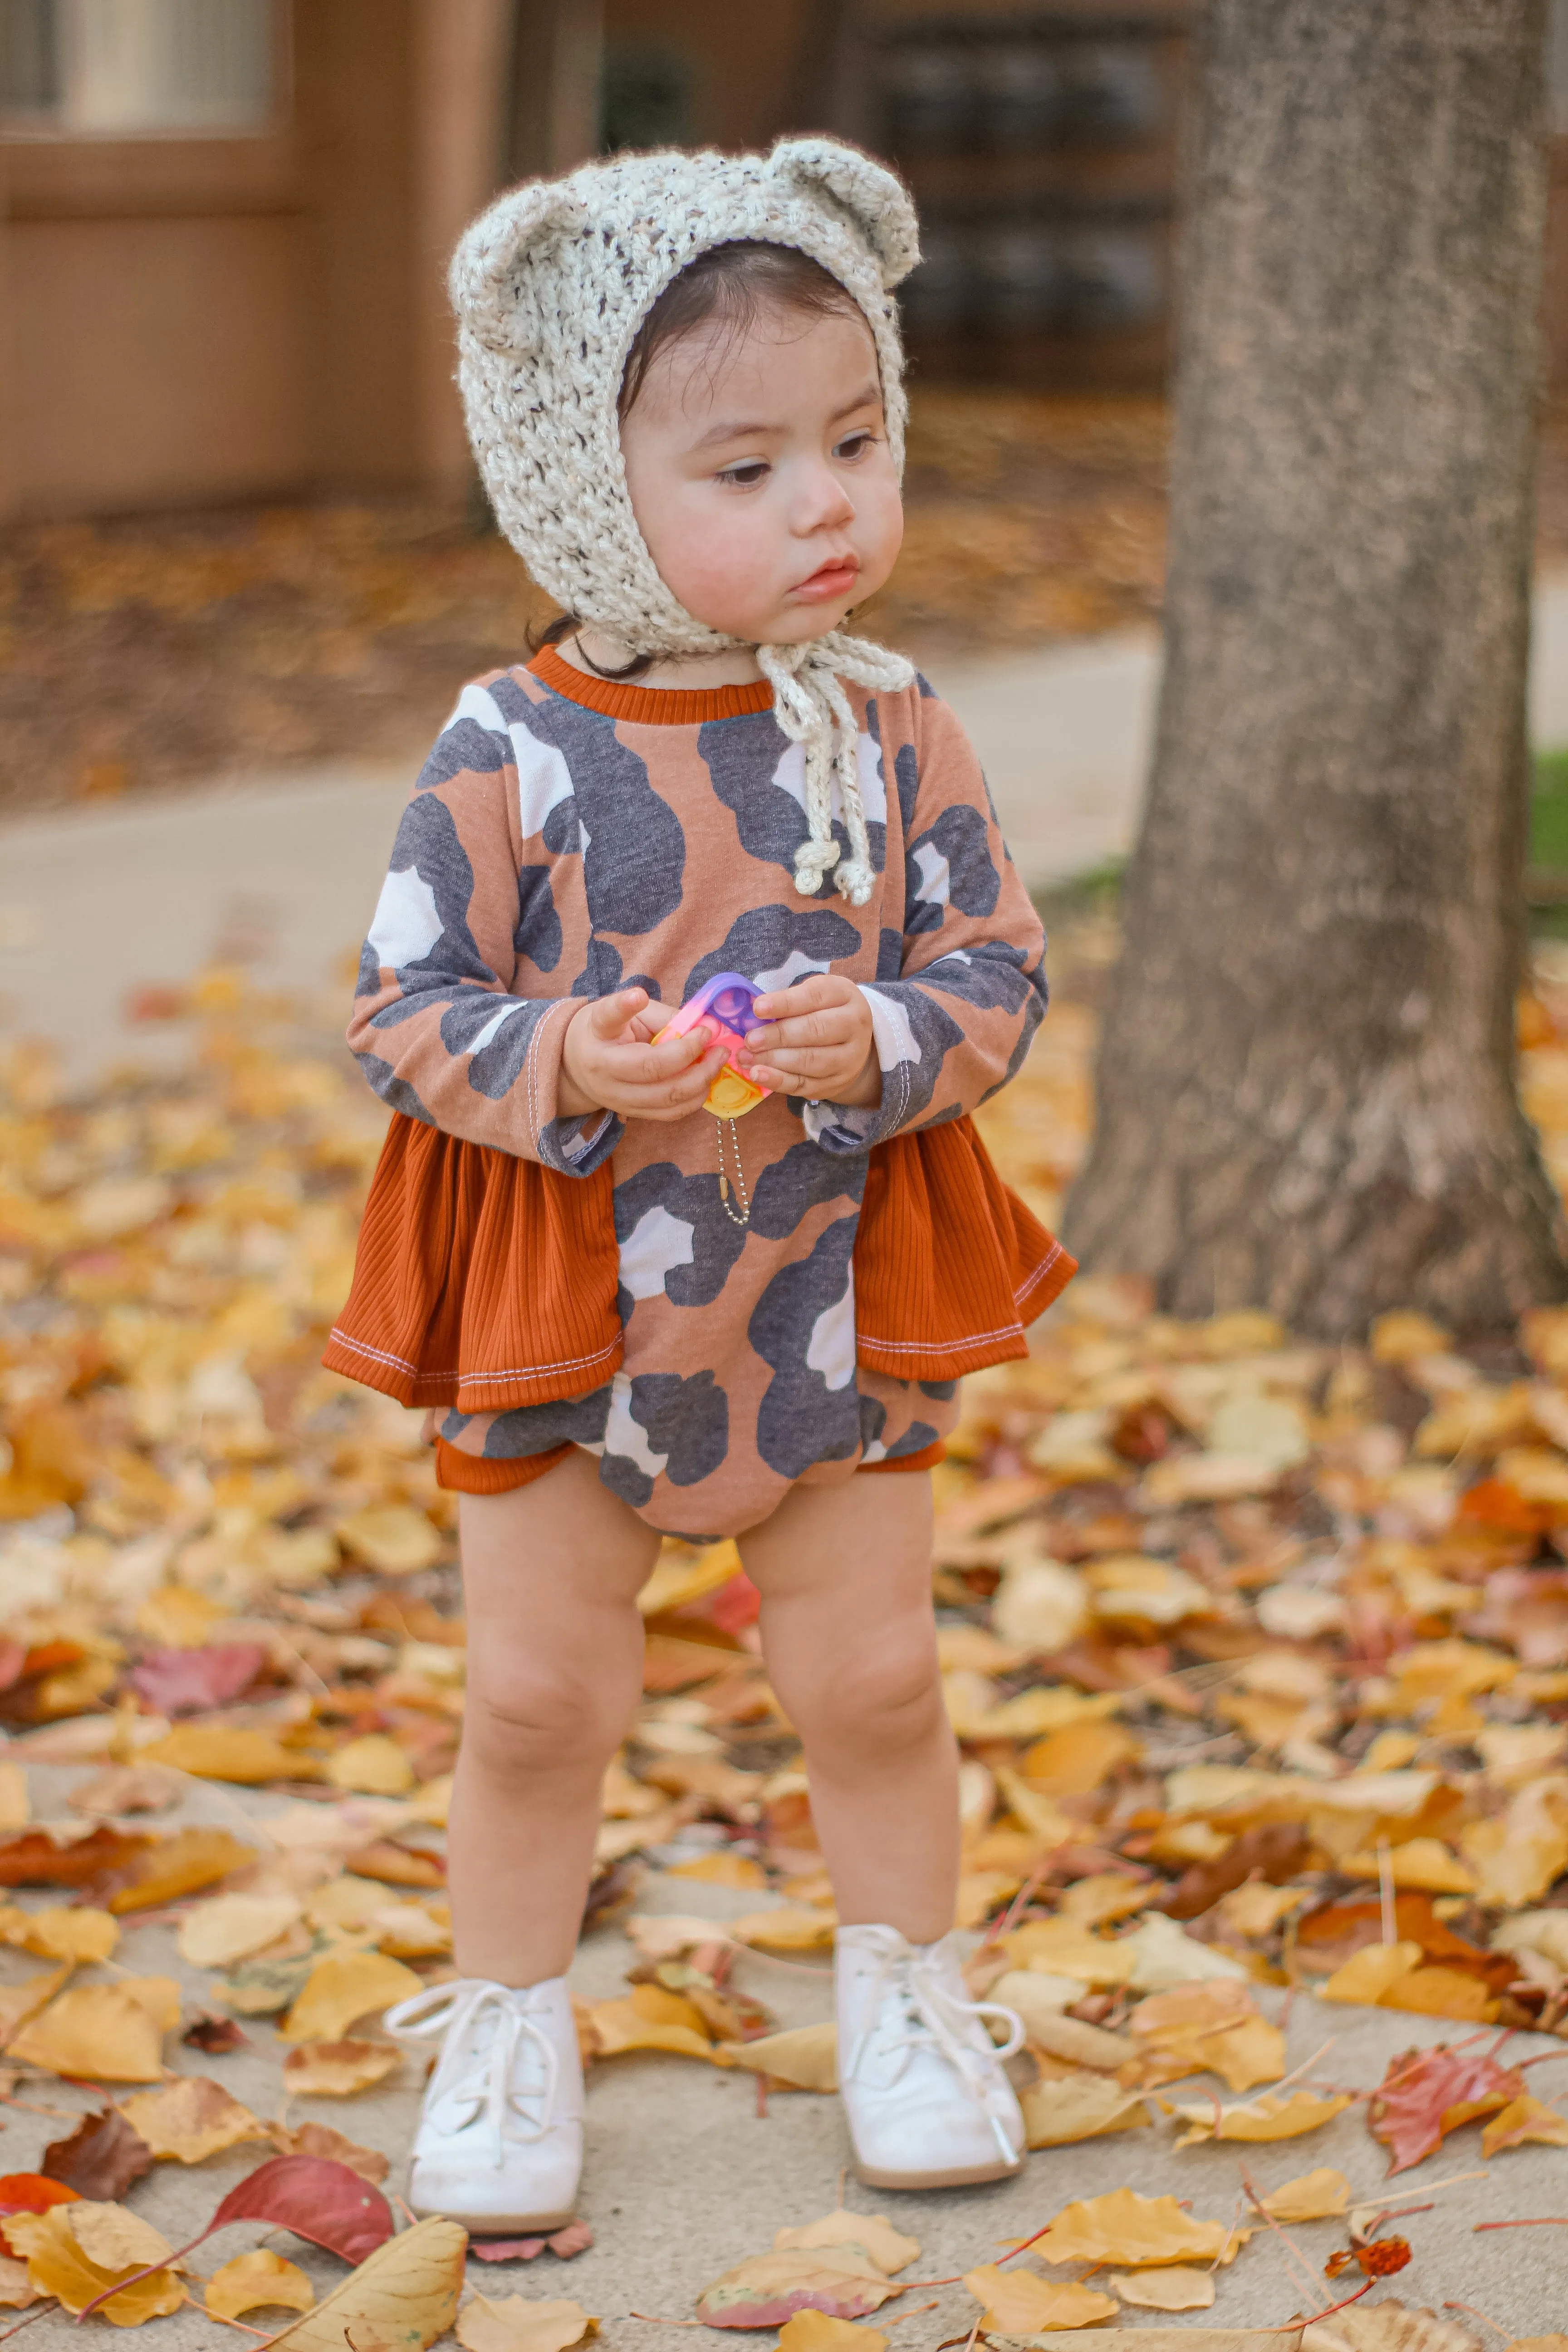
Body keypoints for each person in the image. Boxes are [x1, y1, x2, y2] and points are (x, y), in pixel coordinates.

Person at [323, 137, 1075, 2233]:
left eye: (857, 440)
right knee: (540, 1694)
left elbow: (995, 963)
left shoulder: (899, 729)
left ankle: (911, 1994)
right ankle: (504, 2014)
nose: (827, 500)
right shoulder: (506, 743)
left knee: (875, 1677)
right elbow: (397, 1006)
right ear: (589, 486)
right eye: (746, 468)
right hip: (566, 1290)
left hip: (826, 1281)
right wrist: (566, 1050)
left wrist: (891, 1041)